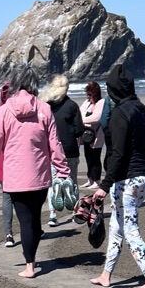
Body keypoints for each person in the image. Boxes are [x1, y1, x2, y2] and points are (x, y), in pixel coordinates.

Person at [0, 64, 69, 279]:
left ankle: (30, 265)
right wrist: (63, 171)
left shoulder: (3, 112)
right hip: (40, 176)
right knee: (34, 219)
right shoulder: (44, 109)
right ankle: (32, 258)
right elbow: (55, 145)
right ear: (34, 84)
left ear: (15, 83)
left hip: (15, 178)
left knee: (26, 220)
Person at [89, 64, 145, 288]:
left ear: (113, 90)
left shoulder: (120, 113)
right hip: (144, 177)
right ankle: (106, 274)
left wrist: (104, 185)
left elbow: (117, 153)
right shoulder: (143, 109)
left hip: (127, 180)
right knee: (117, 225)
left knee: (129, 229)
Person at [41, 74, 84, 226]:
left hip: (52, 150)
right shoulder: (72, 106)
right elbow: (79, 129)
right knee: (72, 180)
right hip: (70, 149)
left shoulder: (45, 105)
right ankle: (76, 212)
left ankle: (52, 214)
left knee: (53, 182)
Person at [0, 82, 16, 247]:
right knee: (21, 198)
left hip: (3, 160)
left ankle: (8, 233)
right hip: (17, 159)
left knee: (7, 197)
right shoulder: (17, 111)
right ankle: (28, 228)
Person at [79, 81, 105, 188]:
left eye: (90, 94)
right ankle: (90, 179)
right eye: (87, 94)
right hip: (87, 134)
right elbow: (80, 111)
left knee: (95, 158)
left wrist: (82, 120)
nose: (88, 97)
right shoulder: (87, 102)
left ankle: (96, 181)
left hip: (96, 135)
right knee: (87, 157)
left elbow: (96, 118)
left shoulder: (101, 102)